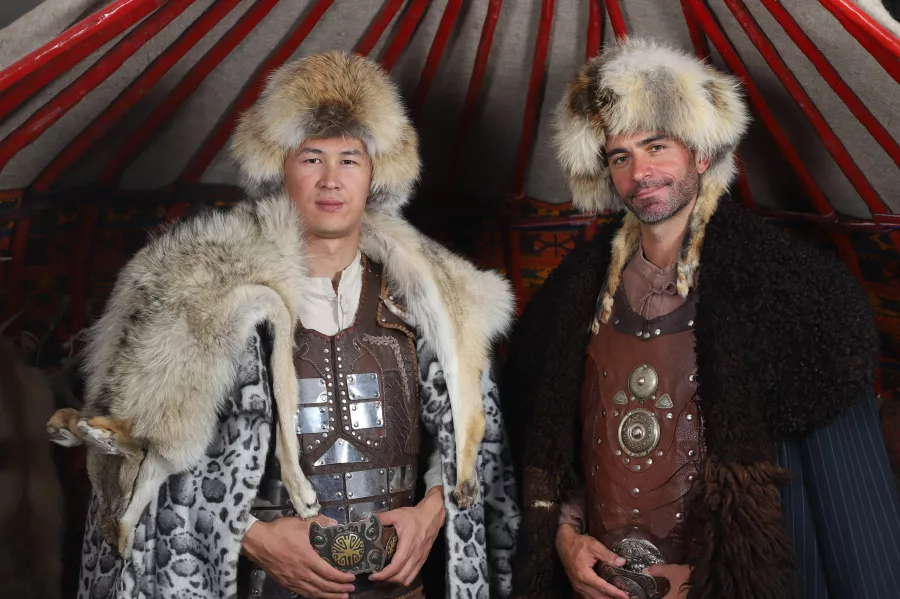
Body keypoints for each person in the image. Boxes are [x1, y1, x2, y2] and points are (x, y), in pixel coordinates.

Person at [48, 51, 520, 599]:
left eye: (349, 159)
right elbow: (139, 469)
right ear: (280, 168)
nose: (331, 180)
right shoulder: (200, 293)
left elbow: (477, 445)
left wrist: (432, 511)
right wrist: (249, 534)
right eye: (311, 157)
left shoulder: (438, 298)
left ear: (375, 173)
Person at [506, 38, 900, 599]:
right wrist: (566, 540)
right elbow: (553, 443)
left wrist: (719, 577)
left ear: (702, 153)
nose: (641, 172)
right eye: (620, 156)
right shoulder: (572, 295)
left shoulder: (794, 292)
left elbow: (846, 509)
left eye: (656, 146)